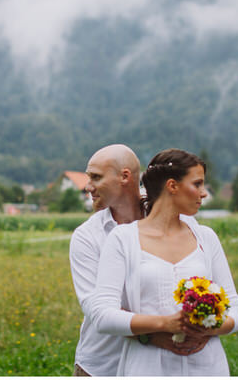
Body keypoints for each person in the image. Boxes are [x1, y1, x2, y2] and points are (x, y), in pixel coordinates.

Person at [87, 148, 238, 376]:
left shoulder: (206, 238)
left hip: (206, 366)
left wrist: (206, 328)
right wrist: (163, 324)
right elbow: (102, 315)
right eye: (197, 184)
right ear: (172, 186)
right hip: (147, 367)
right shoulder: (122, 239)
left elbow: (235, 311)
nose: (204, 193)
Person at [68, 144, 206, 376]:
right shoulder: (87, 236)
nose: (88, 186)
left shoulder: (184, 224)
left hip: (163, 364)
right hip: (104, 365)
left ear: (124, 177)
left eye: (96, 177)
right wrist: (153, 334)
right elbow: (95, 308)